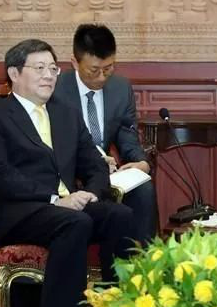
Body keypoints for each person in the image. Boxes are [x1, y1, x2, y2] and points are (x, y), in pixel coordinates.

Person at [0, 39, 142, 307]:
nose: (49, 76)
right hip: (20, 213)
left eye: (53, 69)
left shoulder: (65, 114)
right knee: (74, 223)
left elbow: (95, 165)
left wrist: (91, 193)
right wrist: (54, 199)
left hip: (67, 208)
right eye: (40, 68)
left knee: (120, 215)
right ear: (14, 73)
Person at [53, 23, 158, 240]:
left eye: (108, 68)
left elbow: (127, 135)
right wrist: (96, 160)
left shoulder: (120, 88)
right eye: (94, 70)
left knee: (143, 189)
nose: (102, 77)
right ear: (75, 62)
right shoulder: (55, 89)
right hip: (69, 173)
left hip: (107, 175)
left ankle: (142, 259)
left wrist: (141, 163)